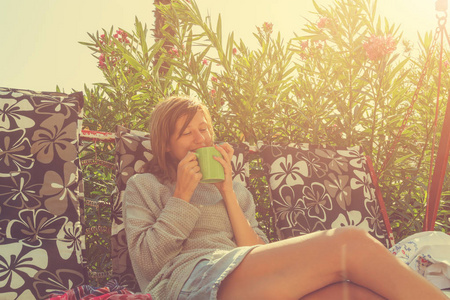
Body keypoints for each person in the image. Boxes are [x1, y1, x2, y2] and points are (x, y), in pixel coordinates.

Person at [123, 95, 448, 300]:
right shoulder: (145, 185)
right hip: (188, 283)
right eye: (186, 132)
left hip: (242, 280)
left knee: (353, 294)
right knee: (350, 242)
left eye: (204, 128)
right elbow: (148, 267)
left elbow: (256, 252)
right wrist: (182, 195)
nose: (200, 139)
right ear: (166, 144)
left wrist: (226, 190)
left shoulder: (232, 187)